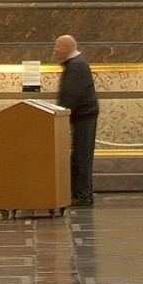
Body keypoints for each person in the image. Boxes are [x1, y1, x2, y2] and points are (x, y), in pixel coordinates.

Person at [53, 34, 99, 205]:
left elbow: (72, 94)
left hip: (84, 117)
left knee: (82, 157)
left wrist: (59, 113)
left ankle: (83, 195)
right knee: (79, 156)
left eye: (57, 46)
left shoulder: (77, 65)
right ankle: (80, 194)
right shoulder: (74, 64)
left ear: (67, 47)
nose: (55, 50)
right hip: (81, 116)